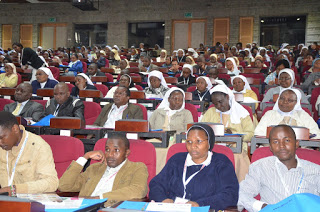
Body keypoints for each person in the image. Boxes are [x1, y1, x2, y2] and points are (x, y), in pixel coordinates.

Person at [149, 123, 239, 210]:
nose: (193, 146)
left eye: (199, 141)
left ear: (209, 142)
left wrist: (200, 204)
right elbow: (156, 184)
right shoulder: (177, 160)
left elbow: (230, 195)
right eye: (189, 141)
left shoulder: (221, 163)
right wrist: (163, 199)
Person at [238, 125, 320, 212]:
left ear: (296, 144)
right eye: (276, 142)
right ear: (270, 147)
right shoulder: (260, 167)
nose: (282, 146)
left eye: (287, 140)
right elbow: (240, 194)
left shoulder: (316, 170)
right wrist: (261, 206)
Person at [58, 132, 148, 207]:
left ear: (126, 153)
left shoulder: (137, 168)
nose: (110, 154)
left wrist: (99, 198)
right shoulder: (95, 168)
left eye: (116, 150)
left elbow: (138, 190)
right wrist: (85, 157)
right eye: (107, 150)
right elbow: (64, 186)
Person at [202, 85, 254, 182]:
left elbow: (251, 133)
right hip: (213, 146)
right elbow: (202, 129)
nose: (218, 106)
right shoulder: (210, 112)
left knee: (235, 156)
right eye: (215, 103)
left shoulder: (241, 112)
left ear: (227, 97)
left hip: (235, 147)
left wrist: (235, 133)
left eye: (220, 102)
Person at [0, 111, 58, 195]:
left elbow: (51, 182)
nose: (0, 142)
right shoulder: (3, 145)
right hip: (4, 201)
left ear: (15, 129)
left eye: (1, 137)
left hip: (30, 201)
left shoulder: (39, 146)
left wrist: (16, 189)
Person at [255, 88, 320, 138]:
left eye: (290, 100)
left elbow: (316, 134)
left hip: (300, 150)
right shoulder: (269, 114)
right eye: (282, 99)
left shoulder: (303, 115)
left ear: (296, 103)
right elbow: (258, 133)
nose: (285, 102)